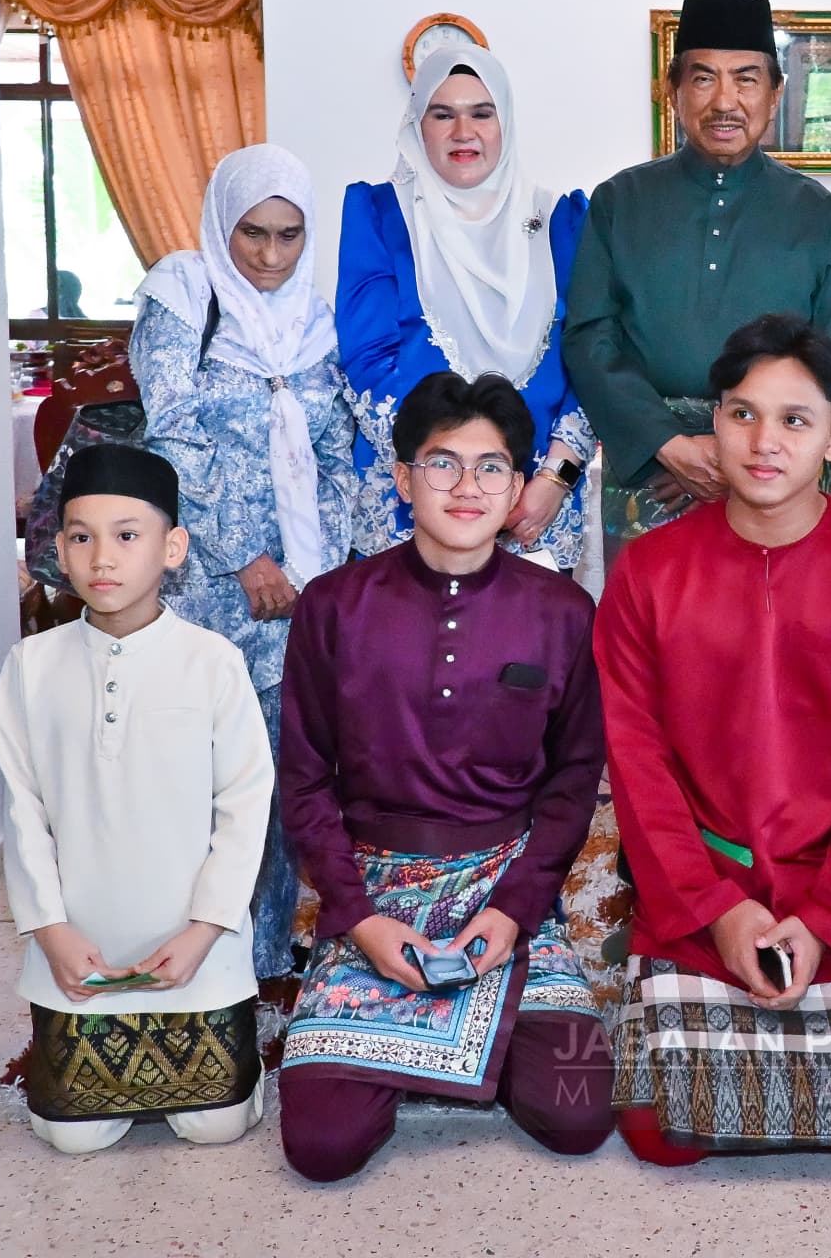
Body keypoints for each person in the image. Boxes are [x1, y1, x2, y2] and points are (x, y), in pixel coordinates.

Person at [598, 314, 831, 1164]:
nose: (763, 442)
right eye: (742, 413)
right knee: (663, 1135)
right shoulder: (647, 571)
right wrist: (717, 912)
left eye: (795, 420)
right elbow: (638, 766)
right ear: (714, 422)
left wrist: (827, 919)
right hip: (700, 896)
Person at [277, 371, 612, 1181]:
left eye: (492, 467)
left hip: (506, 888)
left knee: (578, 1113)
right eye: (443, 464)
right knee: (322, 1147)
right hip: (374, 891)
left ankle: (447, 1043)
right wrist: (359, 920)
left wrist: (514, 910)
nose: (468, 487)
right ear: (403, 479)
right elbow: (305, 781)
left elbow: (573, 782)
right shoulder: (334, 604)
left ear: (518, 486)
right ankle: (431, 1046)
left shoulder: (563, 611)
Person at [0, 444, 273, 1155]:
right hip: (78, 954)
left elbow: (245, 804)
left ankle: (238, 1068)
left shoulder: (213, 662)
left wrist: (205, 929)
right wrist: (51, 931)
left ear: (172, 548)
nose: (102, 559)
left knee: (215, 1126)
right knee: (74, 1138)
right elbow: (23, 810)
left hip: (194, 948)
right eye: (81, 537)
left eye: (127, 535)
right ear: (59, 550)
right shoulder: (31, 665)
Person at [130, 143, 358, 981]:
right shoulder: (184, 297)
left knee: (290, 772)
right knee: (208, 775)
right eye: (251, 233)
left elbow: (339, 451)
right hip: (214, 585)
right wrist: (247, 556)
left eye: (288, 235)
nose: (268, 255)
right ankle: (191, 950)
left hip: (305, 589)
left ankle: (263, 955)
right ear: (222, 223)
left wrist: (325, 572)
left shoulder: (318, 321)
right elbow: (172, 436)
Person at [563, 0, 831, 563]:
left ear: (775, 94)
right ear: (673, 90)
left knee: (786, 618)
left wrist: (753, 446)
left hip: (780, 469)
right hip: (653, 467)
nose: (725, 101)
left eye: (746, 79)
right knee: (655, 615)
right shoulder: (619, 201)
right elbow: (589, 337)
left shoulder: (819, 214)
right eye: (704, 78)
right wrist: (668, 443)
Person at [339, 45, 595, 568]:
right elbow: (367, 361)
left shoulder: (562, 221)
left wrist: (554, 478)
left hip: (534, 509)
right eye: (442, 114)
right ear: (417, 125)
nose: (463, 132)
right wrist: (451, 480)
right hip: (413, 503)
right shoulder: (380, 214)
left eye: (481, 113)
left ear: (506, 123)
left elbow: (592, 358)